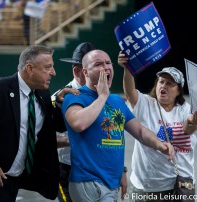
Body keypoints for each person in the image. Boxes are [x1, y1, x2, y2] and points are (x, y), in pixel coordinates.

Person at [61, 49, 174, 201]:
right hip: (89, 182)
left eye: (108, 63)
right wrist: (102, 96)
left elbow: (140, 131)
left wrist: (160, 144)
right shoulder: (75, 96)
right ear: (85, 72)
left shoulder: (115, 101)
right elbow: (78, 124)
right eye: (98, 64)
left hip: (111, 183)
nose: (106, 67)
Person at [0, 45, 62, 202]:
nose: (53, 73)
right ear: (29, 68)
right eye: (48, 67)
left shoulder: (42, 93)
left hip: (21, 178)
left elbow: (56, 126)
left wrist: (62, 104)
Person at [118, 52, 197, 201]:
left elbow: (187, 129)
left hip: (179, 184)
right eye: (161, 82)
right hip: (147, 186)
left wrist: (193, 122)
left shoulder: (185, 109)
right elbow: (130, 92)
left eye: (170, 84)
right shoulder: (146, 104)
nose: (163, 86)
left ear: (178, 91)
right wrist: (127, 69)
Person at [52, 42, 96, 202]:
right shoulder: (58, 99)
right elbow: (41, 138)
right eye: (95, 67)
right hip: (68, 171)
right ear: (78, 71)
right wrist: (73, 140)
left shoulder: (104, 96)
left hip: (98, 169)